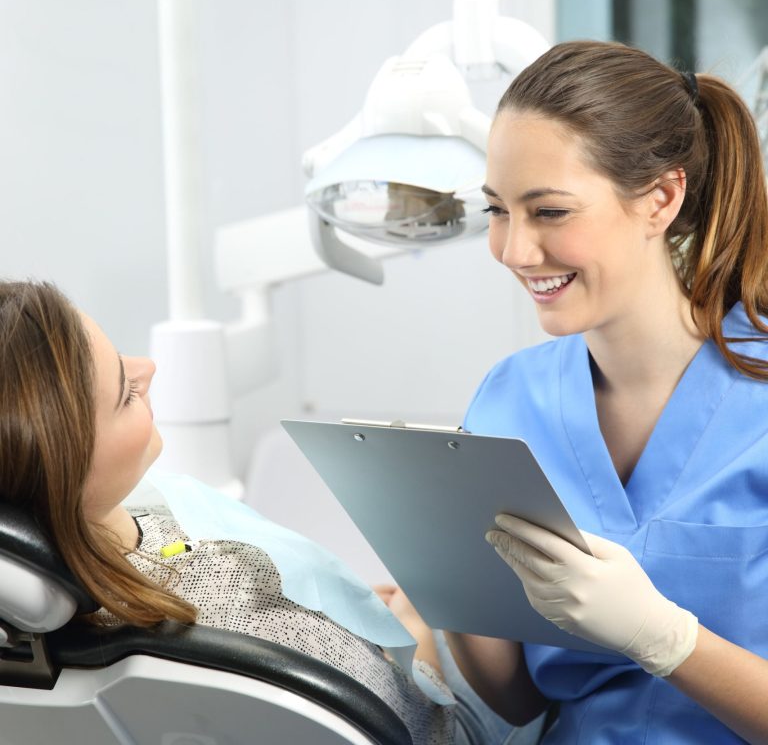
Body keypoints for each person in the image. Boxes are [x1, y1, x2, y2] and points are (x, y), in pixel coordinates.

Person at [438, 39, 768, 743]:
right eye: (498, 210)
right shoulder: (509, 399)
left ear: (661, 198)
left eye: (550, 212)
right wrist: (449, 582)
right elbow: (520, 702)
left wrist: (668, 641)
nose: (516, 251)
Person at [0, 280, 455, 745]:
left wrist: (335, 628)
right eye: (125, 392)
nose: (148, 368)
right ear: (68, 467)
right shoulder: (246, 604)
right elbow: (424, 725)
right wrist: (416, 625)